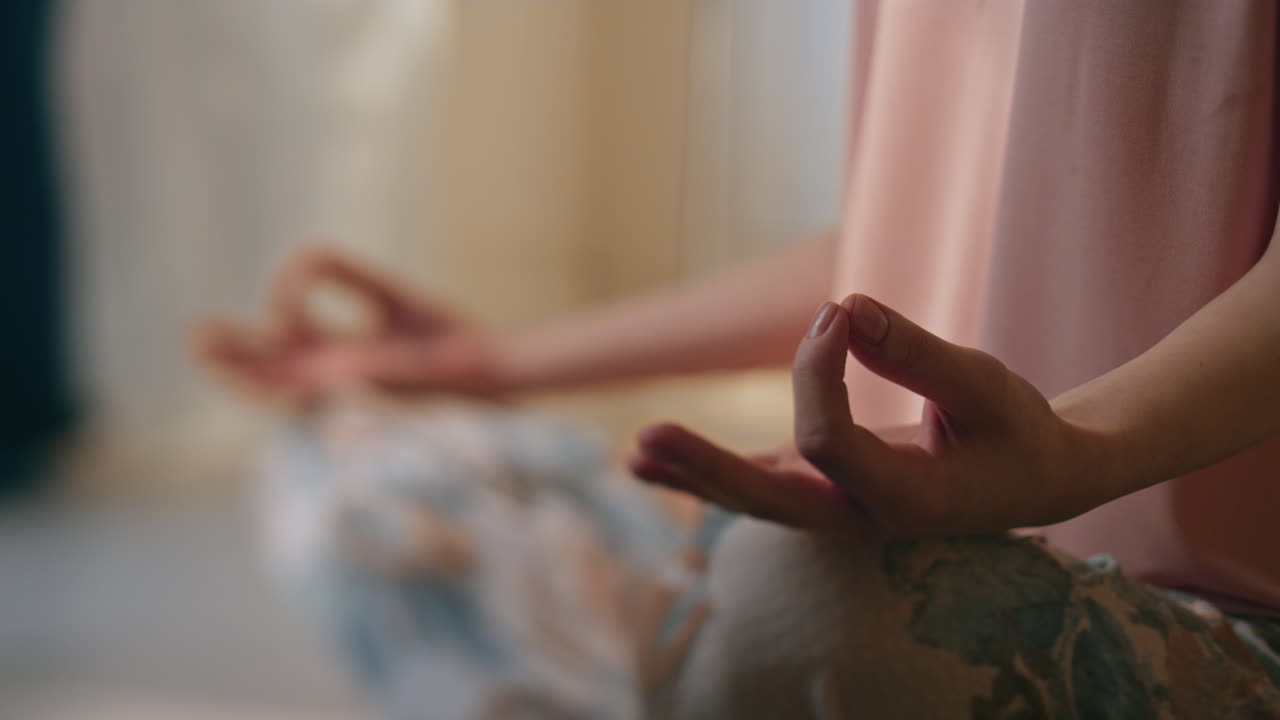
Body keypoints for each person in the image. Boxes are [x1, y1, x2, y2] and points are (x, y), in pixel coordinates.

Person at [199, 1, 1280, 717]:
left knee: (796, 599)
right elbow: (903, 233)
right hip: (901, 526)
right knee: (367, 475)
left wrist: (1080, 451)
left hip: (1219, 611)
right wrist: (489, 363)